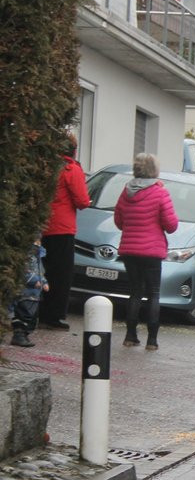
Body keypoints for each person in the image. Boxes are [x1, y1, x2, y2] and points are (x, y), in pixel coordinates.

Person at [113, 153, 179, 351]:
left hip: (129, 250)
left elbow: (118, 221)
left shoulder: (126, 191)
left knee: (135, 293)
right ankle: (152, 340)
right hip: (151, 252)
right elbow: (171, 225)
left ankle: (130, 336)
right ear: (154, 170)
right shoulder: (160, 193)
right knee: (153, 294)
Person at [40, 132, 91, 331]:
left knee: (44, 271)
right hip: (63, 228)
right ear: (74, 149)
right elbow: (82, 200)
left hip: (45, 226)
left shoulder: (48, 167)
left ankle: (40, 312)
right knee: (61, 274)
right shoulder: (71, 169)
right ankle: (55, 316)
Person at [9, 237, 48, 348]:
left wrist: (44, 281)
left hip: (34, 295)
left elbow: (41, 272)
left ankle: (25, 335)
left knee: (31, 317)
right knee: (23, 315)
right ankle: (19, 335)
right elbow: (25, 271)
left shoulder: (37, 257)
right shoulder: (29, 256)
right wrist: (35, 281)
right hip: (26, 293)